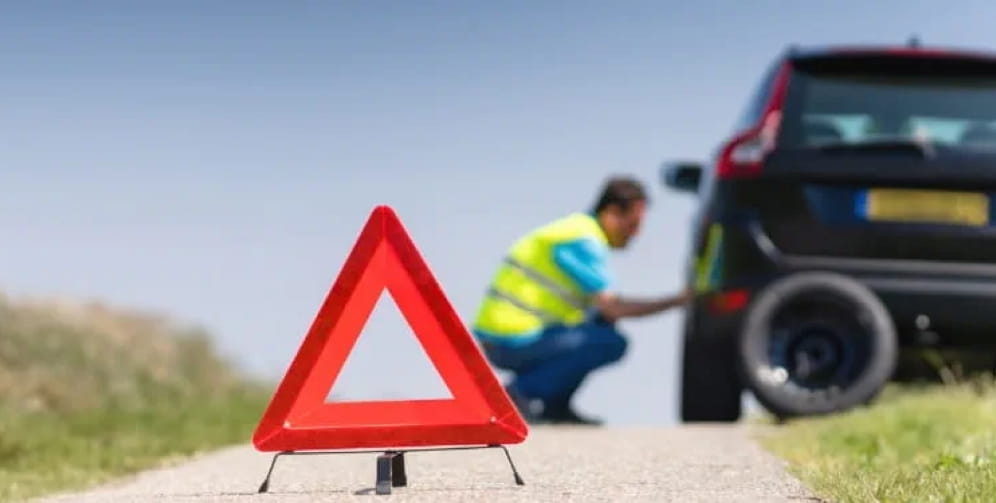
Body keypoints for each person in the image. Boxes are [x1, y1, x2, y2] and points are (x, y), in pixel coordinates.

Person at [471, 176, 691, 425]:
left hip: (513, 336)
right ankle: (518, 394)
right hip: (510, 339)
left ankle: (555, 406)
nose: (636, 234)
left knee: (601, 326)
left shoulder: (575, 230)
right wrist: (678, 300)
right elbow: (614, 307)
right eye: (632, 224)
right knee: (608, 341)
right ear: (612, 212)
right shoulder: (581, 240)